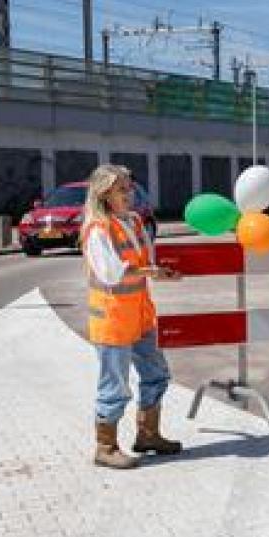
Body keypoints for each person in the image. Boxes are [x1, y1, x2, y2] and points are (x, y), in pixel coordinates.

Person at [82, 164, 183, 469]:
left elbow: (145, 262)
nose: (129, 194)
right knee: (115, 386)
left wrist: (160, 272)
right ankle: (106, 446)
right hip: (112, 319)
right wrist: (149, 271)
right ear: (104, 193)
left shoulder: (135, 222)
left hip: (139, 315)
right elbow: (110, 272)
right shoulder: (97, 228)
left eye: (130, 187)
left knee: (156, 374)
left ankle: (148, 435)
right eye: (121, 189)